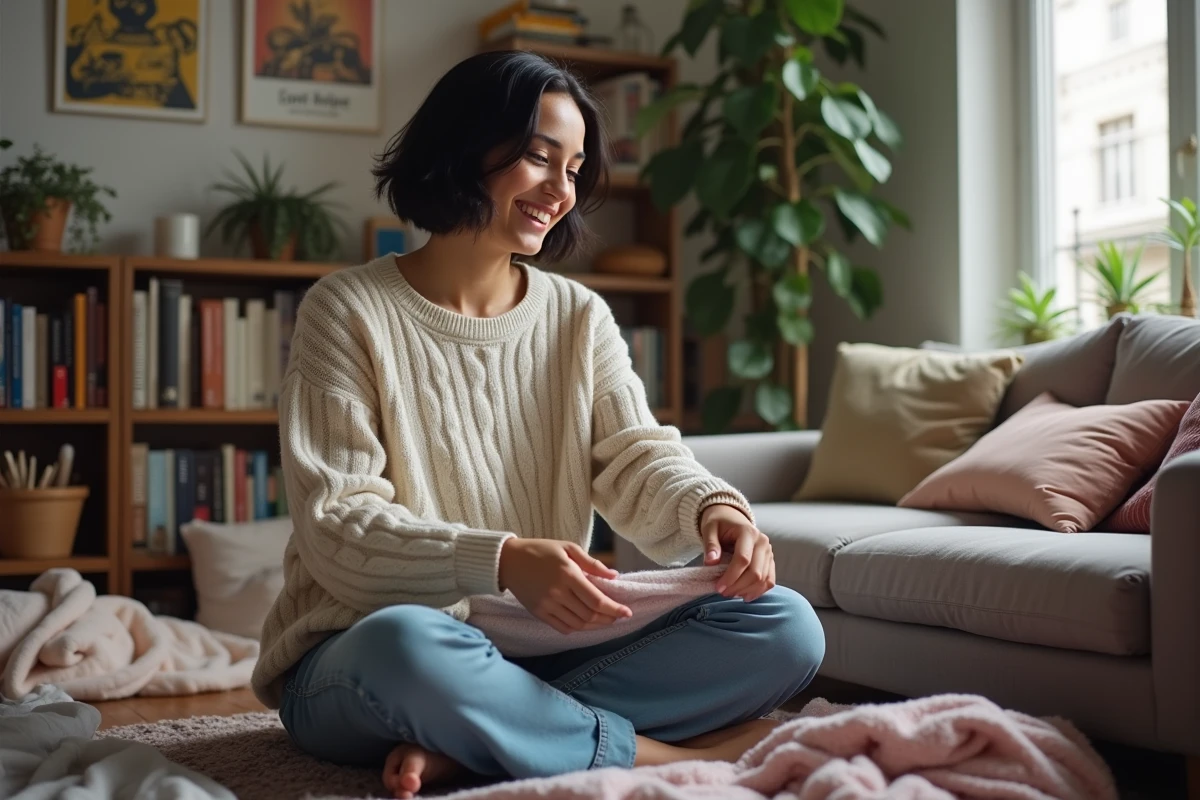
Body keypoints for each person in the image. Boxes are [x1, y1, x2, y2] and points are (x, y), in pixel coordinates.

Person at [250, 49, 825, 800]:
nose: (562, 191)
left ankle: (485, 740)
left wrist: (711, 507)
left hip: (544, 650)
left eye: (576, 168)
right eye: (537, 157)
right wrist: (504, 560)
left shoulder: (577, 316)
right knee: (409, 646)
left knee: (783, 625)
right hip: (364, 653)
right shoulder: (347, 310)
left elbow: (636, 455)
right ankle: (637, 754)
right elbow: (338, 526)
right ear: (466, 146)